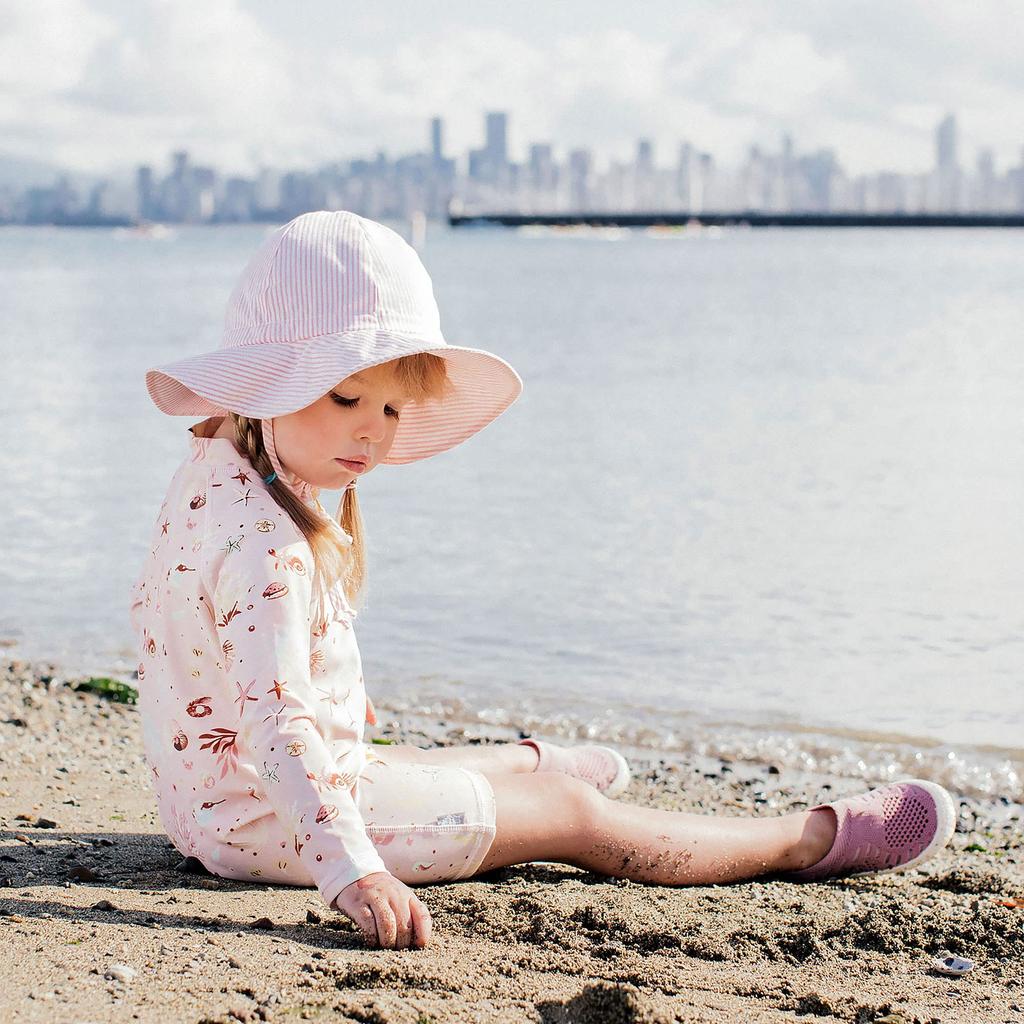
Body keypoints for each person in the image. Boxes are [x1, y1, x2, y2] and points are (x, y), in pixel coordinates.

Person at [130, 210, 957, 952]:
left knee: (412, 758)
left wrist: (327, 680)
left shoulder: (219, 467)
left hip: (204, 797)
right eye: (347, 396)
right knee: (576, 819)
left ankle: (528, 764)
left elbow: (198, 639)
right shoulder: (269, 545)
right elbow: (279, 728)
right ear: (270, 385)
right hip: (262, 822)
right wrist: (353, 874)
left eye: (390, 409)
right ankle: (806, 838)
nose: (372, 434)